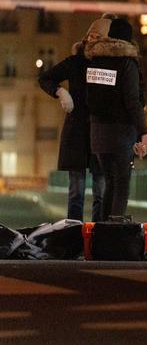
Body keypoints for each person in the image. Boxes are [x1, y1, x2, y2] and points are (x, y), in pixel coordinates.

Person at [38, 14, 115, 221]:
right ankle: (73, 232)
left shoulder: (111, 65)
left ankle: (98, 233)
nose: (91, 39)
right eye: (90, 35)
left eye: (97, 36)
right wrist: (60, 92)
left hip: (101, 131)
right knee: (76, 192)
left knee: (101, 191)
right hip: (77, 132)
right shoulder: (75, 62)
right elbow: (45, 78)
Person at [85, 17, 147, 221]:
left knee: (110, 183)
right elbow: (132, 101)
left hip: (98, 133)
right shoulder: (127, 63)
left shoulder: (95, 61)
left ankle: (103, 229)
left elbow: (91, 98)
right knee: (121, 185)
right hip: (121, 132)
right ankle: (114, 231)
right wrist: (143, 131)